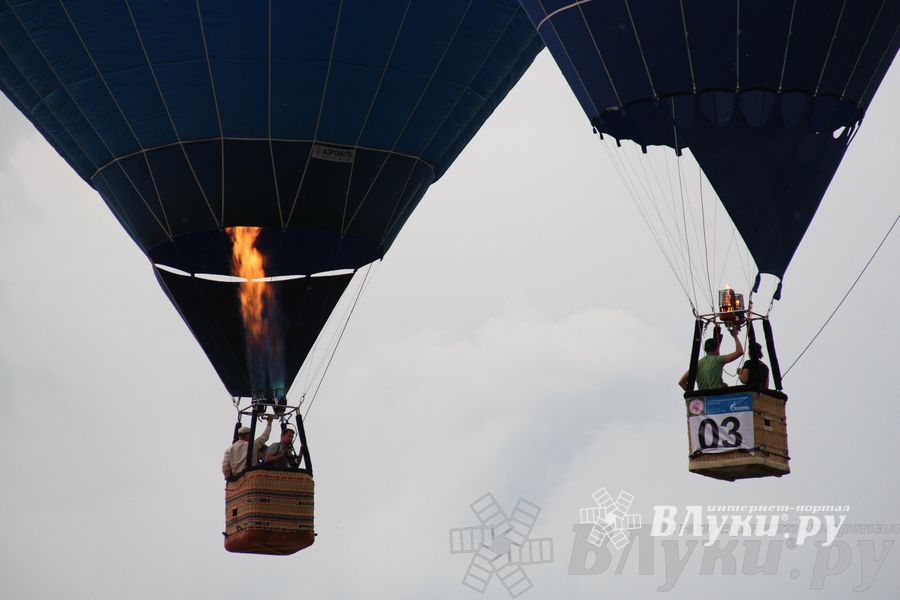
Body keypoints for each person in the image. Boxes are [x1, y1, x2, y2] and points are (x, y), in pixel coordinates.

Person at [679, 327, 744, 391]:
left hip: (704, 399)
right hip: (718, 397)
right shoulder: (718, 360)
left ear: (705, 350)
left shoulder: (697, 364)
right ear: (717, 349)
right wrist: (735, 336)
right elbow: (740, 352)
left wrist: (694, 395)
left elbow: (681, 382)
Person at [222, 415, 273, 479]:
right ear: (247, 435)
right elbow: (265, 436)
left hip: (237, 479)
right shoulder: (252, 445)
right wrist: (269, 422)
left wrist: (230, 478)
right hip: (252, 476)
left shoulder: (229, 449)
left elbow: (225, 468)